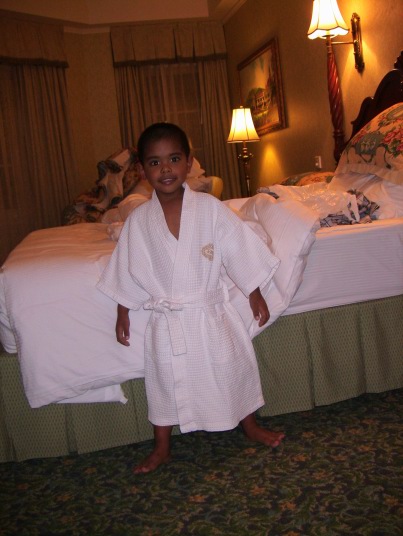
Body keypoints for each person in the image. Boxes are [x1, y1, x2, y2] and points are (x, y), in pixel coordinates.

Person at [97, 122, 285, 474]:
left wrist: (254, 291)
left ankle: (250, 425)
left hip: (210, 312)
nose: (165, 169)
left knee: (232, 366)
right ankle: (162, 446)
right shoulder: (139, 221)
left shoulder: (210, 209)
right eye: (154, 162)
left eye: (174, 159)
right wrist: (123, 310)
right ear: (142, 171)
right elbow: (128, 267)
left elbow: (237, 249)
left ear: (188, 162)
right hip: (168, 321)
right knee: (163, 379)